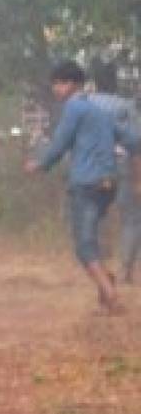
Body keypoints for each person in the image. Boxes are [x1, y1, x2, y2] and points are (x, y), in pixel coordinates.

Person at [25, 60, 139, 313]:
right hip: (109, 183)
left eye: (62, 83)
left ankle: (111, 295)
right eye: (55, 83)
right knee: (93, 239)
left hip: (86, 182)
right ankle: (105, 295)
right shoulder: (100, 111)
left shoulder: (74, 107)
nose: (57, 88)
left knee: (84, 246)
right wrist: (136, 176)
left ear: (75, 84)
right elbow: (134, 141)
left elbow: (60, 143)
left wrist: (40, 164)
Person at [85, 61, 141, 285]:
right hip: (122, 163)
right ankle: (126, 269)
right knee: (131, 218)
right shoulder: (125, 106)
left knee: (94, 215)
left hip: (92, 165)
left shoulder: (84, 104)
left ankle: (97, 265)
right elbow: (136, 142)